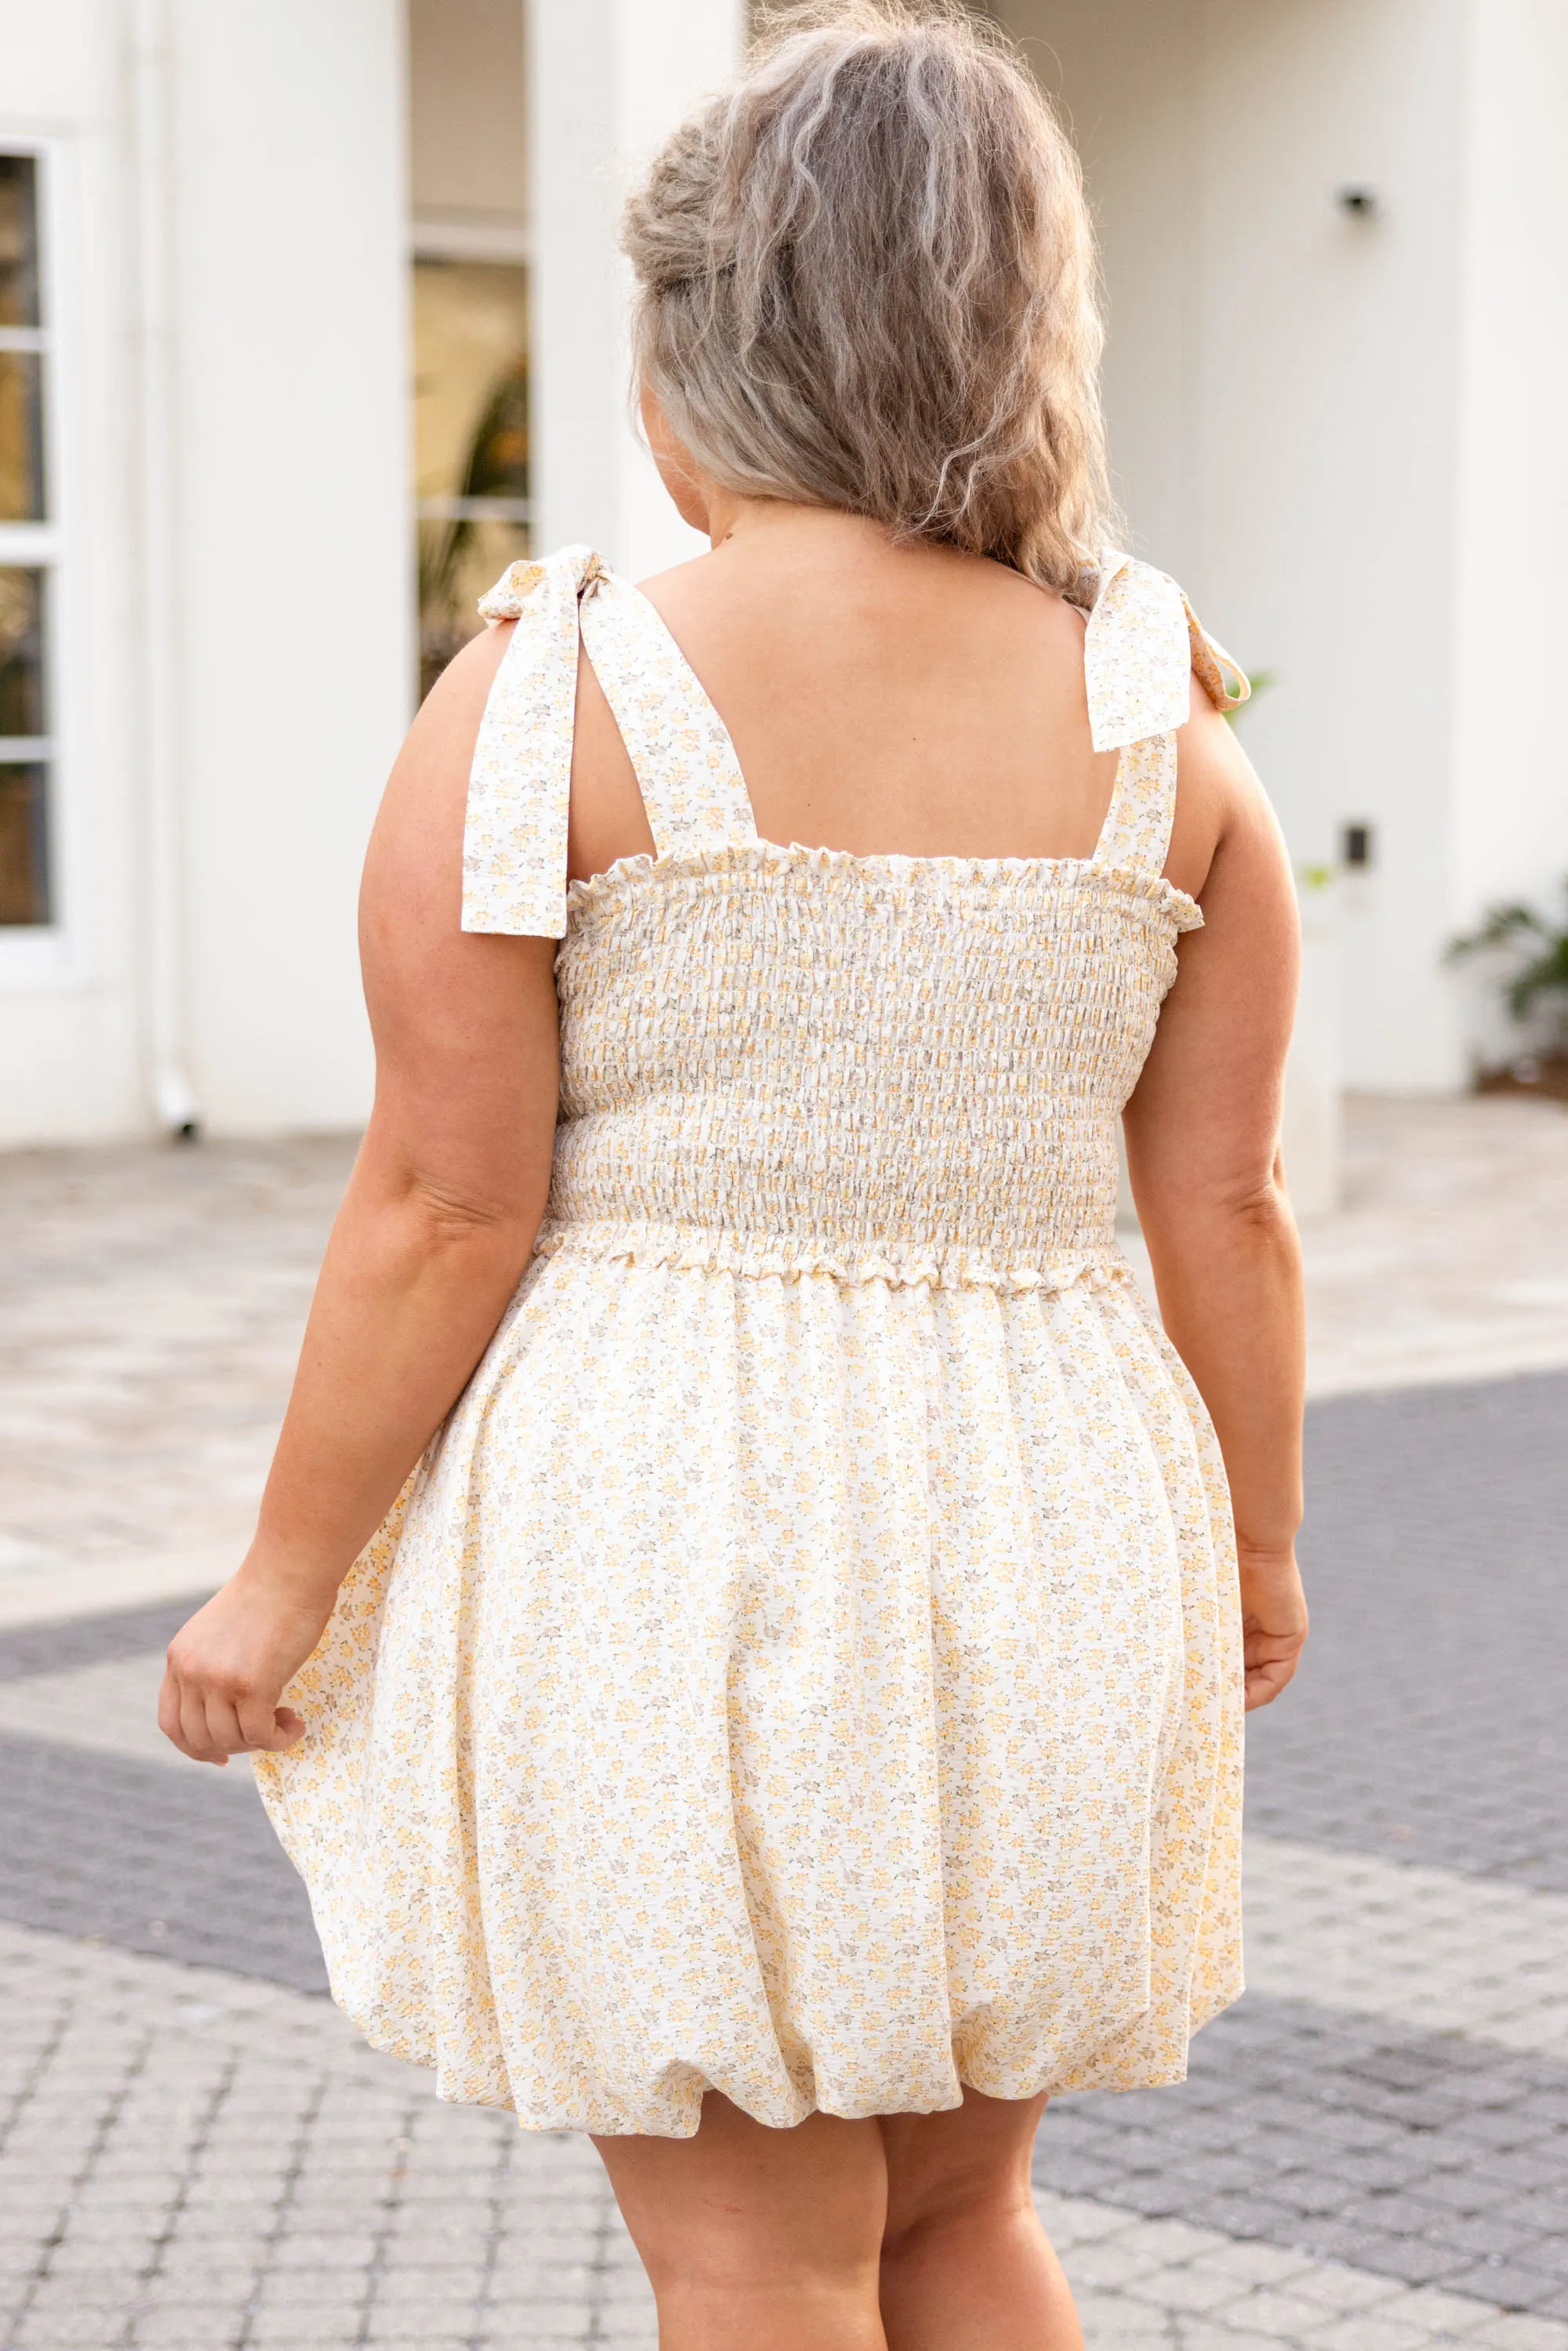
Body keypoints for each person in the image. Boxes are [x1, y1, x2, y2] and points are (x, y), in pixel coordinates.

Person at [158, 5, 1308, 2344]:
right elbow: (1230, 1212)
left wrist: (279, 1585)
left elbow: (442, 1205)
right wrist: (1261, 1544)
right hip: (1059, 1520)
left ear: (696, 364)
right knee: (960, 2222)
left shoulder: (548, 697)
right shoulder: (1159, 719)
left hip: (686, 1525)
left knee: (755, 2252)